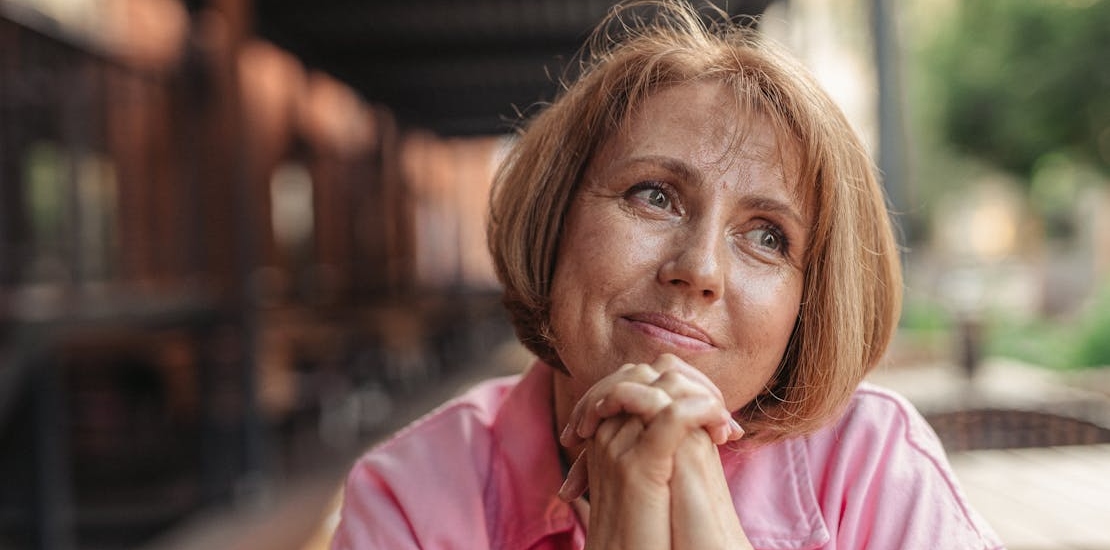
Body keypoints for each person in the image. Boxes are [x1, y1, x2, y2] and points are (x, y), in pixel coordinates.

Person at [331, 1, 1003, 548]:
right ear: (555, 216)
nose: (699, 270)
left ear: (811, 302)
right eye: (654, 196)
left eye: (767, 237)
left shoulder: (873, 462)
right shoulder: (408, 499)